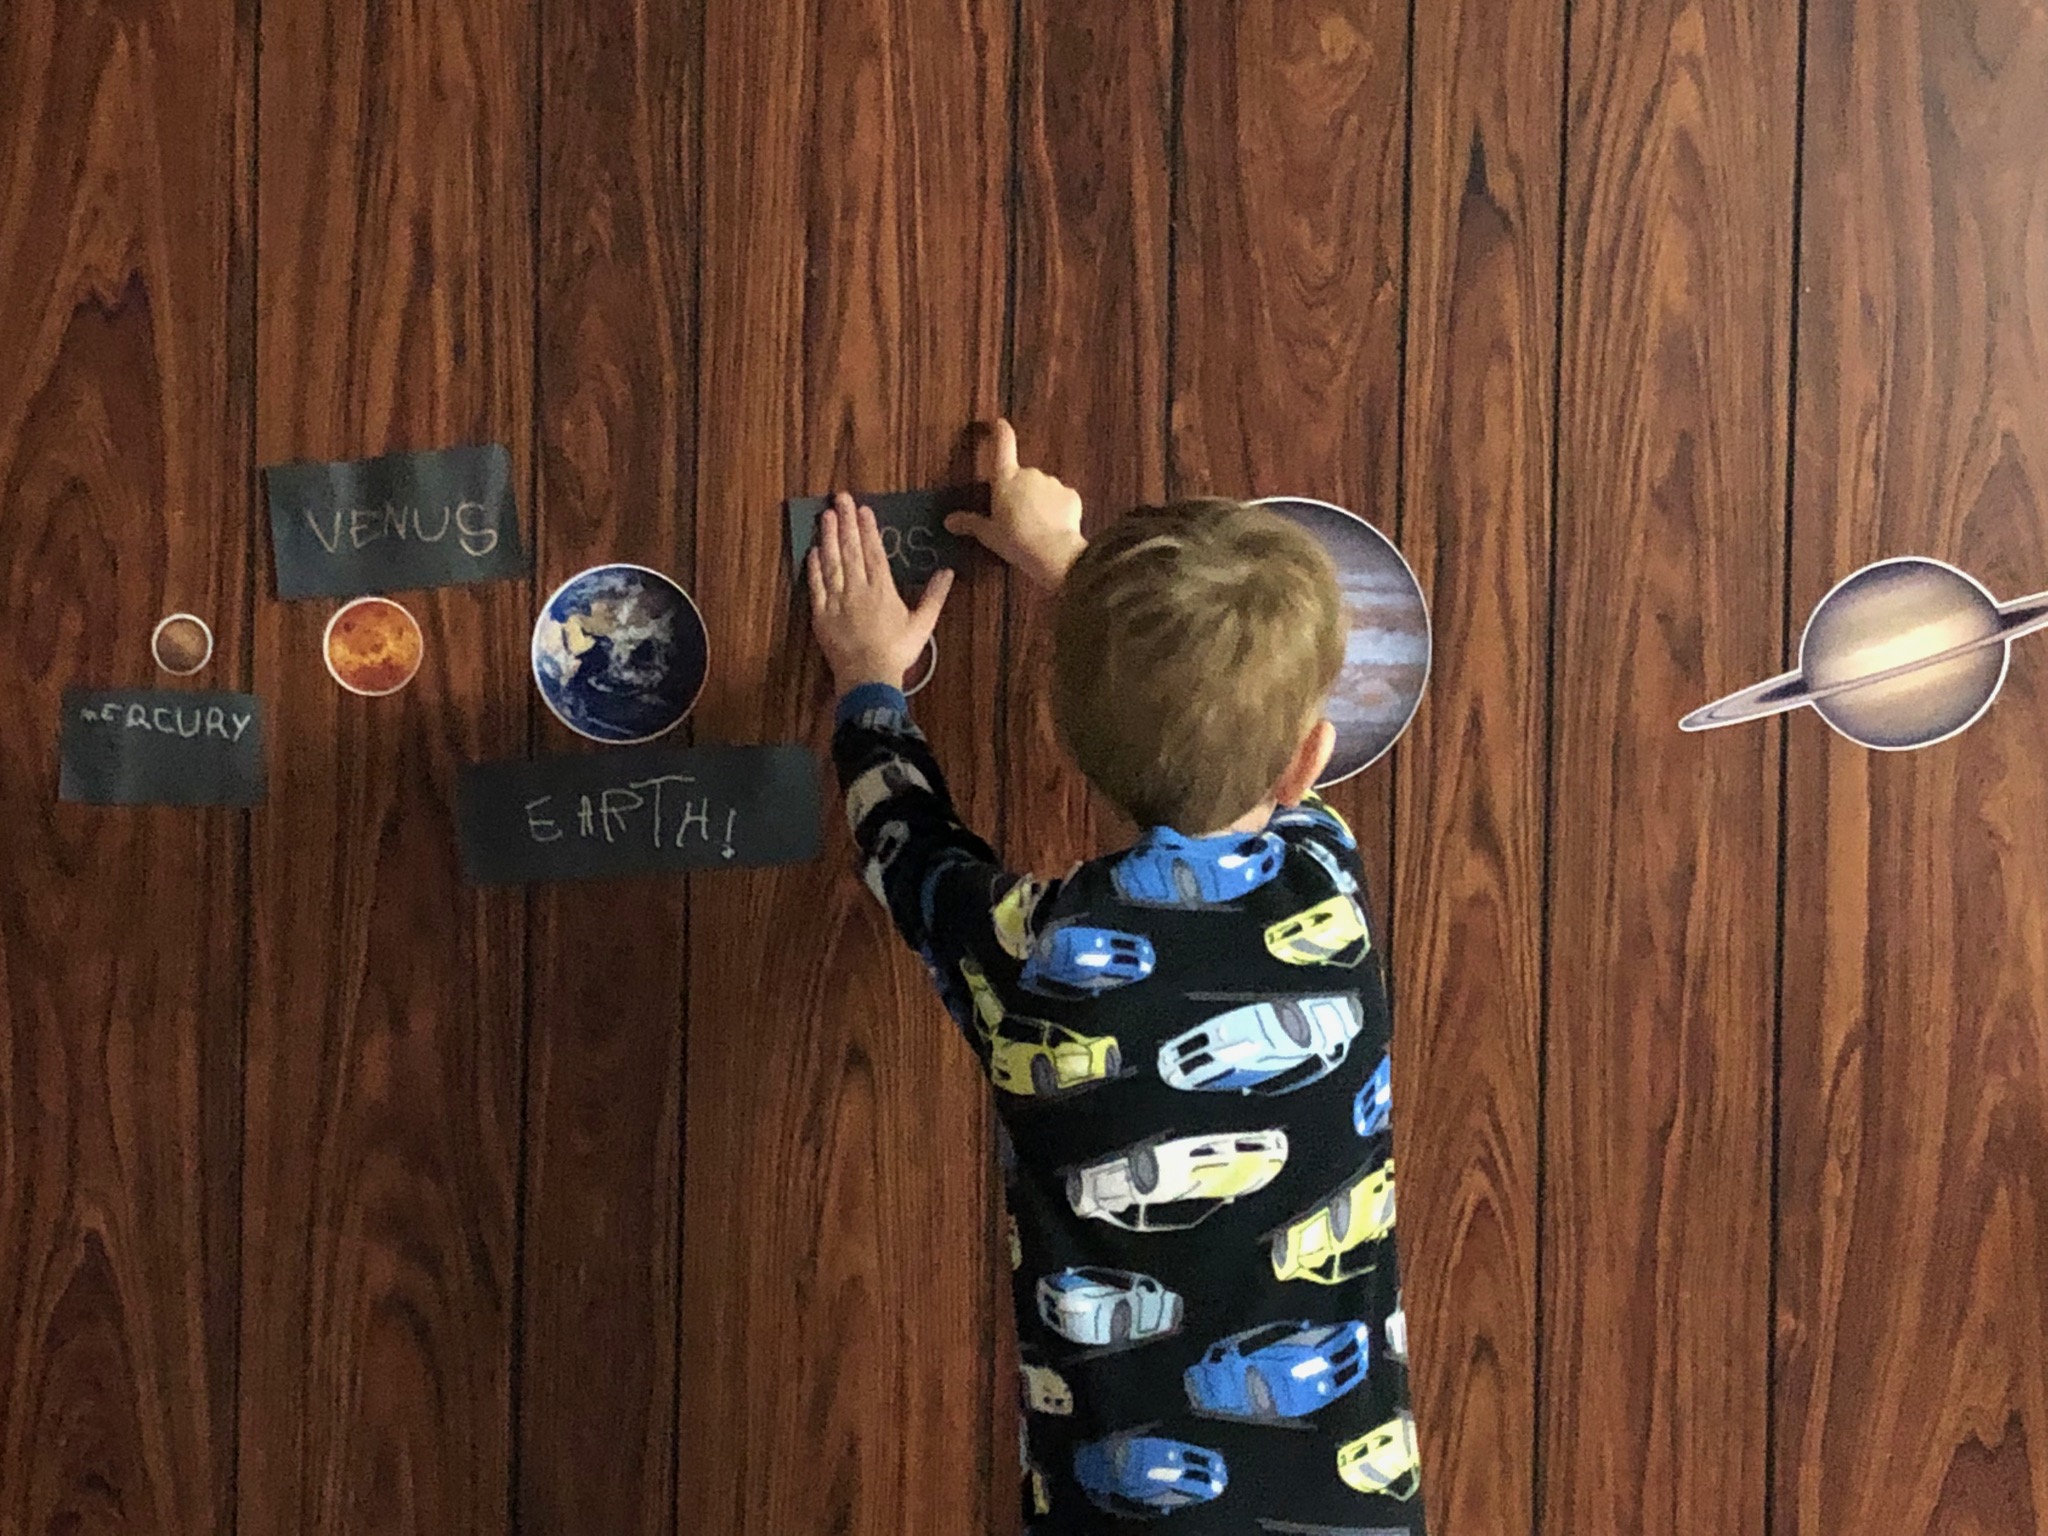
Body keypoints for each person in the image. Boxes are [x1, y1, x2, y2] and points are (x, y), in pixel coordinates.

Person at [806, 421, 1423, 1533]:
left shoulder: (1033, 952)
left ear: (1057, 728)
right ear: (1308, 761)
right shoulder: (1325, 890)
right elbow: (1232, 731)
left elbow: (906, 842)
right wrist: (1072, 564)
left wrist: (869, 680)